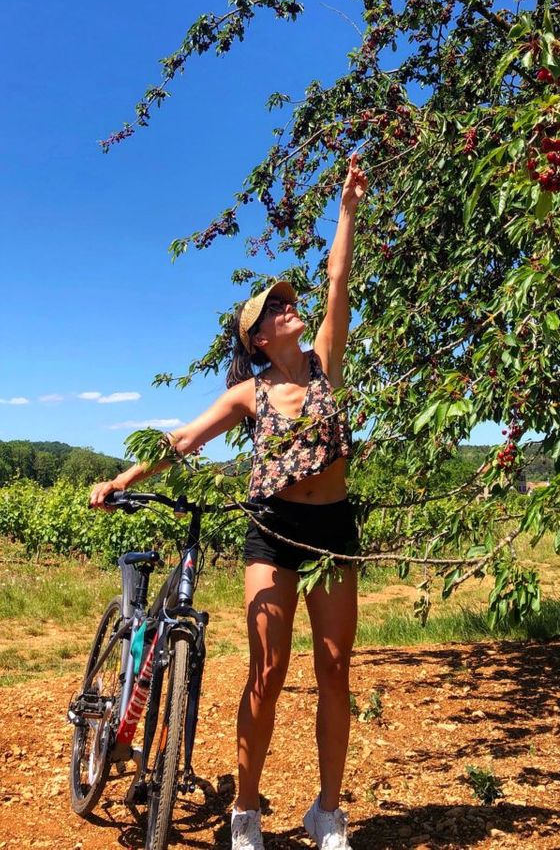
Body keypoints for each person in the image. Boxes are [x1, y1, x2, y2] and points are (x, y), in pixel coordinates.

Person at [90, 154, 368, 850]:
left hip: (333, 527)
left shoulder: (325, 362)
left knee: (335, 669)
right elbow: (184, 438)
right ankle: (245, 809)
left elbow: (338, 279)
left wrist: (347, 208)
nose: (287, 306)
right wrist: (127, 479)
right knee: (267, 673)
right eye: (273, 308)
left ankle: (327, 812)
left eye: (285, 300)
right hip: (273, 530)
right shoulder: (251, 394)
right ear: (258, 337)